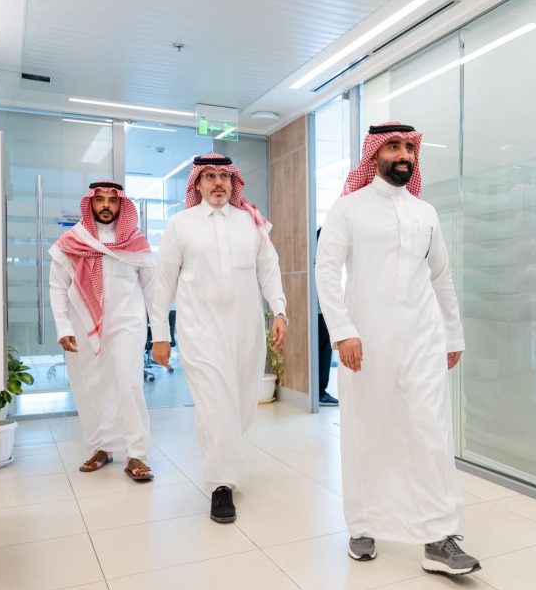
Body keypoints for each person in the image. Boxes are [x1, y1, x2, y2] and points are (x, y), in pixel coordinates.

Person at [316, 122, 477, 575]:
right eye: (393, 146)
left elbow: (441, 276)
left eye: (409, 147)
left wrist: (453, 334)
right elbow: (326, 270)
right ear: (374, 154)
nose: (404, 154)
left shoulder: (426, 212)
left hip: (423, 338)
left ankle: (439, 536)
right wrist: (342, 330)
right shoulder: (348, 209)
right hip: (366, 341)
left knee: (430, 431)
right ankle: (363, 524)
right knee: (368, 429)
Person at [150, 153, 287, 523]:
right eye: (209, 176)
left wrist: (279, 311)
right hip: (200, 331)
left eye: (224, 176)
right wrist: (160, 334)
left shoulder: (251, 221)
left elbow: (269, 269)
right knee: (215, 406)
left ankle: (225, 459)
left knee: (239, 406)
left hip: (245, 330)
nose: (218, 183)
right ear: (197, 183)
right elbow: (163, 282)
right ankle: (221, 485)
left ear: (233, 181)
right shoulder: (180, 225)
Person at [48, 181, 155, 481]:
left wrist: (161, 333)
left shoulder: (135, 240)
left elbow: (152, 288)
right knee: (90, 387)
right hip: (83, 326)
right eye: (99, 199)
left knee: (128, 384)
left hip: (127, 324)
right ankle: (101, 448)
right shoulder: (72, 241)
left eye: (112, 200)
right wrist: (63, 327)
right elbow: (57, 288)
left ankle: (136, 453)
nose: (106, 205)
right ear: (90, 203)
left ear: (121, 204)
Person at [314, 227, 337, 407]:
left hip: (321, 312)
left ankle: (320, 391)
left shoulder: (316, 257)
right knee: (323, 352)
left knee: (323, 352)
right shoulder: (320, 259)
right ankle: (320, 392)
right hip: (320, 313)